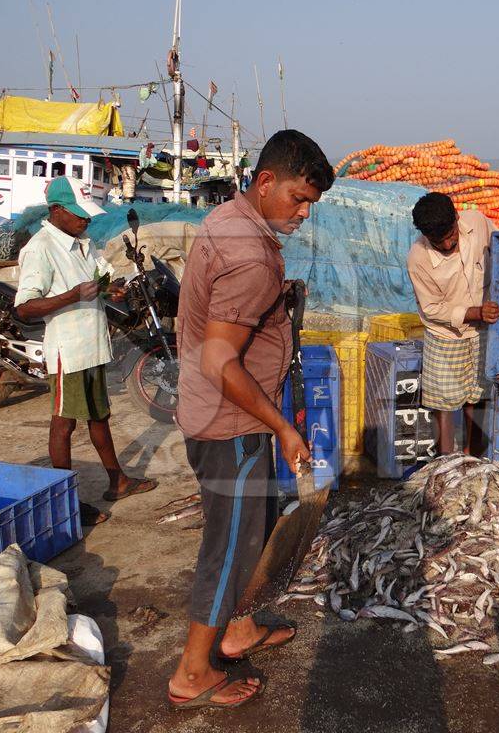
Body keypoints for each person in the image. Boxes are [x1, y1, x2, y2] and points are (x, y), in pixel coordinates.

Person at [168, 129, 334, 711]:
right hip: (230, 423)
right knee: (230, 546)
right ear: (265, 183)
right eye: (298, 199)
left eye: (311, 203)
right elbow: (220, 358)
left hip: (215, 412)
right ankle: (193, 671)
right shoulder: (253, 257)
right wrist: (284, 427)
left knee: (252, 525)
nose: (304, 213)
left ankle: (237, 630)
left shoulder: (226, 219)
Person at [15, 177, 157, 525]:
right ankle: (65, 506)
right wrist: (73, 295)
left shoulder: (83, 244)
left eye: (87, 214)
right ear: (57, 210)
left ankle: (117, 480)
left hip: (93, 346)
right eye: (79, 214)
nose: (86, 220)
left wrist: (112, 292)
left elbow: (101, 281)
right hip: (69, 350)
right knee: (63, 425)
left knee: (99, 416)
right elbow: (24, 307)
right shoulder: (41, 248)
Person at [406, 193, 499, 455]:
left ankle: (473, 457)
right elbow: (431, 309)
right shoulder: (417, 258)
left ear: (456, 217)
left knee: (477, 398)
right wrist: (475, 312)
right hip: (446, 336)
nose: (447, 243)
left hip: (483, 332)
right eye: (438, 241)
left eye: (450, 234)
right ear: (425, 236)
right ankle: (447, 464)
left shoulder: (477, 222)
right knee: (444, 404)